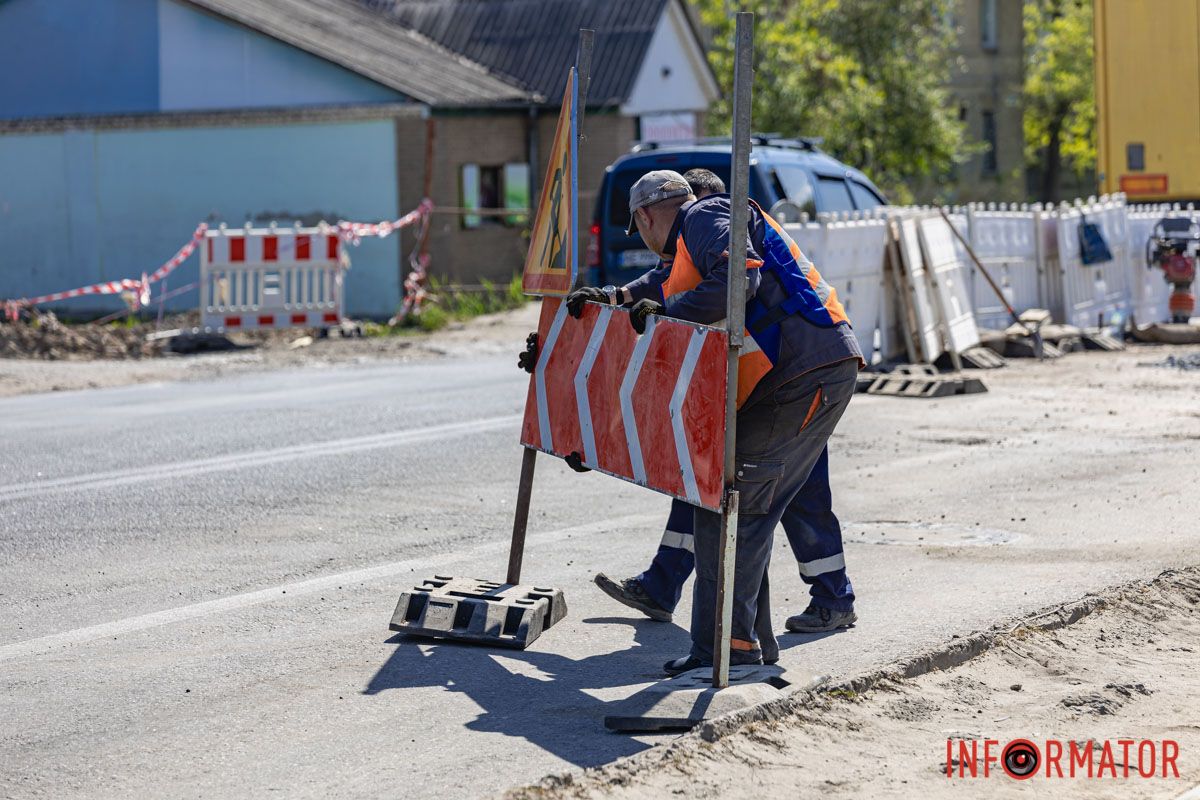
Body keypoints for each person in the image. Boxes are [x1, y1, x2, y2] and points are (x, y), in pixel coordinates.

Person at [566, 169, 862, 674]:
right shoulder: (692, 235)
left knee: (737, 505)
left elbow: (735, 282)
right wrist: (615, 298)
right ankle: (735, 644)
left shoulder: (703, 214)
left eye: (639, 230)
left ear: (644, 215)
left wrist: (665, 311)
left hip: (802, 371)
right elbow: (661, 280)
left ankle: (733, 649)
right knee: (722, 499)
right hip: (794, 375)